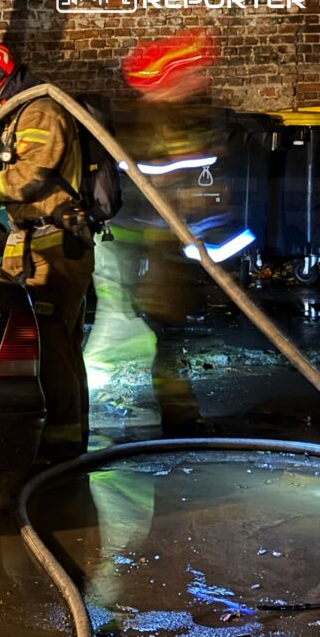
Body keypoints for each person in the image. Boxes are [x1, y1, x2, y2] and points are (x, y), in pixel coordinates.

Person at [0, 42, 94, 459]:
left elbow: (29, 181)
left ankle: (60, 450)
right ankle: (64, 439)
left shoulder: (40, 111)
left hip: (53, 246)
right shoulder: (21, 116)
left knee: (50, 347)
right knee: (56, 345)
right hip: (36, 241)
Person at [85, 30, 219, 435]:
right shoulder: (147, 122)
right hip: (135, 250)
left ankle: (179, 413)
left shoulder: (182, 118)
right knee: (133, 333)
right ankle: (83, 406)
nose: (199, 80)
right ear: (167, 79)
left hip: (161, 250)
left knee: (164, 336)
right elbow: (149, 186)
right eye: (190, 73)